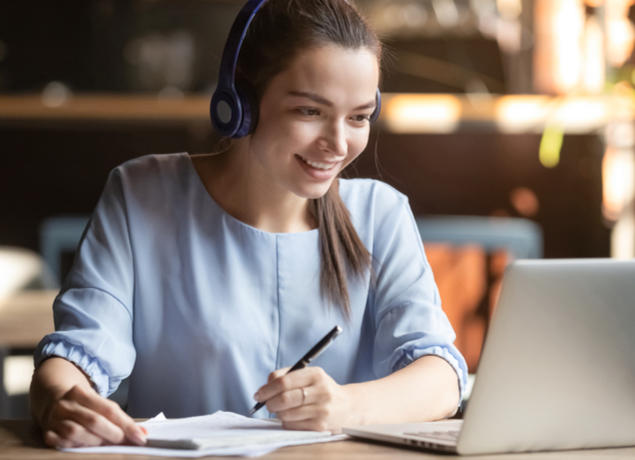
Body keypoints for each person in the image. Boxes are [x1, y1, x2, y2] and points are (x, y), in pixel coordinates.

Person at [29, 0, 468, 449]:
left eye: (358, 117)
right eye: (309, 112)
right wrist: (59, 399)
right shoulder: (142, 194)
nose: (338, 144)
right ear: (241, 102)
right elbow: (80, 351)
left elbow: (442, 378)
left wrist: (343, 406)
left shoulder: (380, 213)